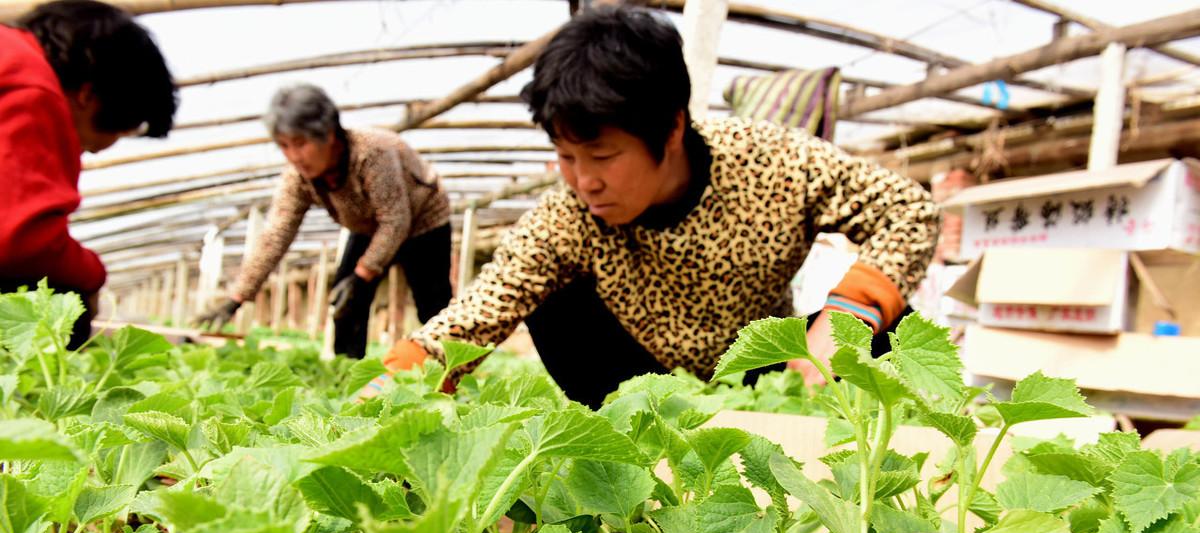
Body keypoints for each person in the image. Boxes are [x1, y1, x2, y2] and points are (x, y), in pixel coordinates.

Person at [367, 6, 941, 408]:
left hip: (758, 369)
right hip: (636, 388)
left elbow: (909, 210)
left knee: (894, 328)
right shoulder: (564, 216)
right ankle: (629, 455)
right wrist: (385, 389)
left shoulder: (772, 164)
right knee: (544, 296)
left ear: (670, 128)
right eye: (565, 156)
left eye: (601, 155)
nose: (583, 181)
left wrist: (840, 325)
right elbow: (480, 311)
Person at [197, 84, 453, 359]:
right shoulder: (298, 177)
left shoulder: (372, 153)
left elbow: (395, 220)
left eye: (301, 144)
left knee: (433, 305)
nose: (294, 156)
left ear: (329, 136)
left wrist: (362, 274)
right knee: (345, 301)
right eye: (284, 146)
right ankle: (349, 375)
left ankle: (450, 374)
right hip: (368, 227)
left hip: (423, 221)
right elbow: (276, 235)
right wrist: (237, 298)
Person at [0, 0, 177, 348]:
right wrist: (92, 276)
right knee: (69, 302)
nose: (98, 150)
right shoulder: (31, 86)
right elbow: (17, 239)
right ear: (89, 95)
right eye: (122, 129)